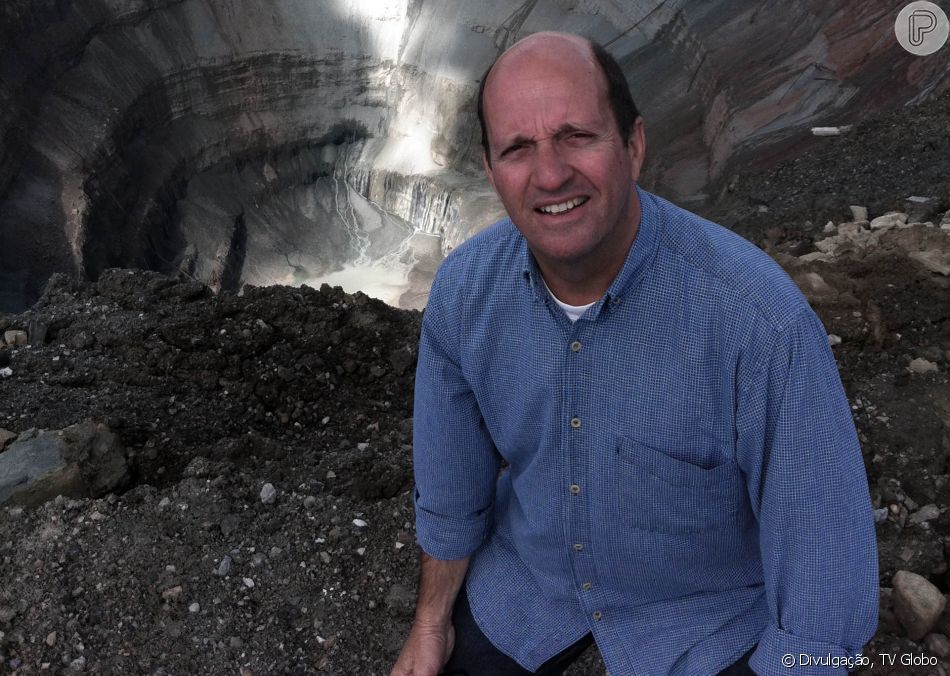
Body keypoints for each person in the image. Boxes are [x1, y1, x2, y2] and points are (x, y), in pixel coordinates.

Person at [392, 31, 878, 676]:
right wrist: (429, 626)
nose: (549, 174)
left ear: (634, 144)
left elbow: (824, 572)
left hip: (707, 620)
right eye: (518, 148)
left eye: (576, 135)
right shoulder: (464, 294)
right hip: (530, 590)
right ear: (491, 170)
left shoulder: (756, 319)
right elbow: (452, 486)